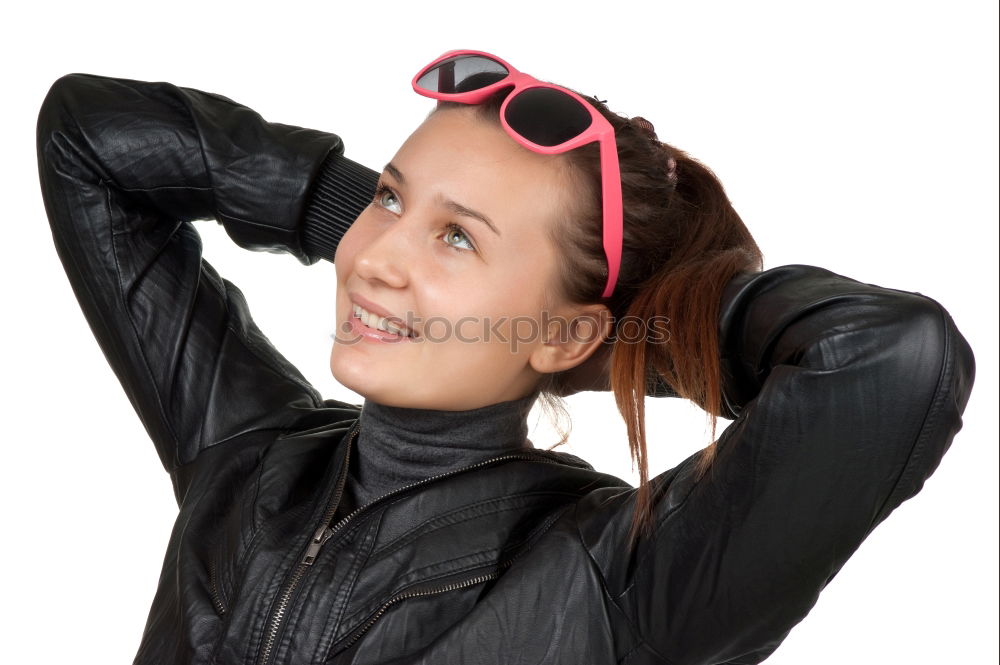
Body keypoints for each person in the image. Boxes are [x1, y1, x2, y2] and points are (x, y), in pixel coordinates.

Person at [35, 50, 975, 665]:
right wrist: (347, 213)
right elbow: (88, 137)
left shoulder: (607, 582)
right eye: (391, 200)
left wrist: (650, 327)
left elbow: (892, 357)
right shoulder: (246, 453)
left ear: (570, 333)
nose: (375, 261)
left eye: (457, 241)